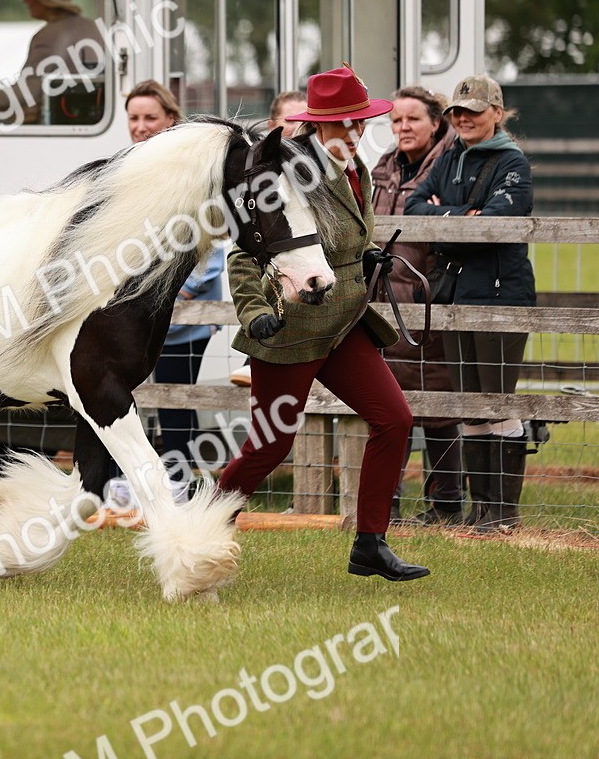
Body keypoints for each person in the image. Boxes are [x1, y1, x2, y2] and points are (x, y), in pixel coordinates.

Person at [218, 64, 429, 582]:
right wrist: (255, 311)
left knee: (394, 419)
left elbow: (342, 240)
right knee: (270, 446)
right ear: (318, 127)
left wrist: (369, 256)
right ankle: (204, 522)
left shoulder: (353, 167)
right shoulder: (285, 175)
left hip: (345, 324)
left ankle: (370, 544)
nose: (358, 133)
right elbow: (244, 258)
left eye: (362, 122)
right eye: (347, 125)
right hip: (293, 331)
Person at [405, 75, 534, 531]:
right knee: (469, 404)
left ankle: (504, 514)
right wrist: (462, 217)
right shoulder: (450, 158)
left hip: (502, 293)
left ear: (497, 113)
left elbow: (499, 222)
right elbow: (414, 208)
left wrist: (449, 221)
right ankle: (483, 512)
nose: (463, 119)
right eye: (457, 112)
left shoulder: (513, 163)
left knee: (497, 401)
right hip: (456, 291)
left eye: (473, 111)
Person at [123, 81, 225, 494]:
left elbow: (213, 238)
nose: (141, 126)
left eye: (150, 117)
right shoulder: (124, 170)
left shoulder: (192, 172)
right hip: (133, 317)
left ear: (170, 120)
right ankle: (126, 482)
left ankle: (179, 481)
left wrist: (170, 292)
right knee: (122, 401)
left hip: (184, 316)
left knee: (176, 402)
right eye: (134, 118)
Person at [371, 87, 463, 525]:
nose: (403, 128)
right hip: (385, 304)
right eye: (396, 121)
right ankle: (387, 504)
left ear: (434, 122)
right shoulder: (383, 168)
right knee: (392, 409)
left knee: (439, 408)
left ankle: (445, 504)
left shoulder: (449, 165)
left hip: (430, 303)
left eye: (413, 119)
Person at [230, 90, 306, 388]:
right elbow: (242, 253)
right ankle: (256, 356)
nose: (297, 129)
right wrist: (254, 313)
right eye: (290, 121)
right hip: (281, 312)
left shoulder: (319, 167)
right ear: (273, 124)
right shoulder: (262, 176)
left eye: (304, 121)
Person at [0, 0, 104, 123]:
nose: (25, 0)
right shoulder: (94, 28)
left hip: (61, 120)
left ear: (43, 0)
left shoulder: (47, 36)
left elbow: (28, 89)